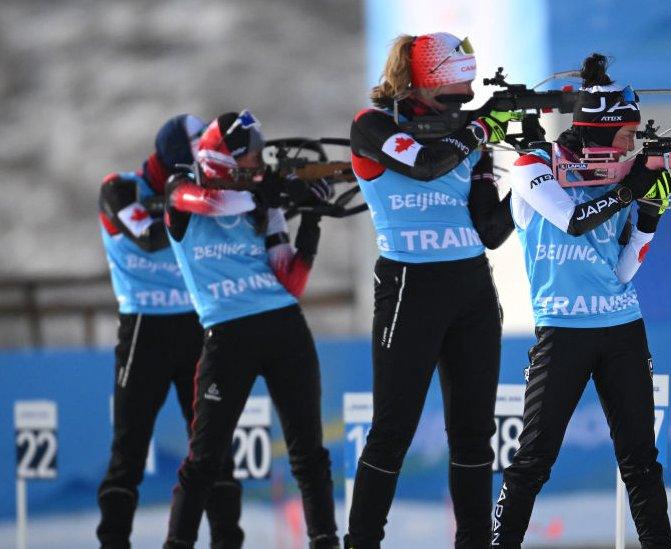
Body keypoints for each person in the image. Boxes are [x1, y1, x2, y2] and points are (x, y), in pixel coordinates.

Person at [491, 54, 671, 549]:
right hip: (561, 331)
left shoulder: (619, 174)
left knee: (641, 461)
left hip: (622, 328)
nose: (632, 147)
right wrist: (630, 188)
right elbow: (571, 219)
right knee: (533, 461)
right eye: (625, 137)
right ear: (599, 131)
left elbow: (622, 271)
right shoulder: (535, 165)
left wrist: (651, 210)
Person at [345, 33, 514, 549]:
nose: (468, 89)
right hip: (409, 287)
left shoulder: (467, 133)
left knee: (473, 435)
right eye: (459, 77)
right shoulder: (372, 125)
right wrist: (481, 129)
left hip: (471, 289)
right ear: (431, 77)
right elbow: (424, 164)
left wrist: (531, 187)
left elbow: (489, 230)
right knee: (393, 430)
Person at [162, 110, 340, 548]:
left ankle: (324, 539)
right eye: (253, 159)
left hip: (285, 329)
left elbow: (291, 280)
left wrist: (311, 221)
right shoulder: (181, 188)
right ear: (225, 160)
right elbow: (211, 202)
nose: (260, 167)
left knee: (309, 456)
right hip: (227, 335)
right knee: (204, 461)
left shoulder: (263, 200)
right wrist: (270, 193)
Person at [96, 114, 245, 549]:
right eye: (192, 157)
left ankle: (227, 541)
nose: (200, 166)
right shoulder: (119, 187)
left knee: (214, 447)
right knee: (129, 450)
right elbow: (145, 234)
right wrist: (192, 200)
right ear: (173, 158)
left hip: (198, 324)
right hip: (144, 328)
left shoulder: (203, 190)